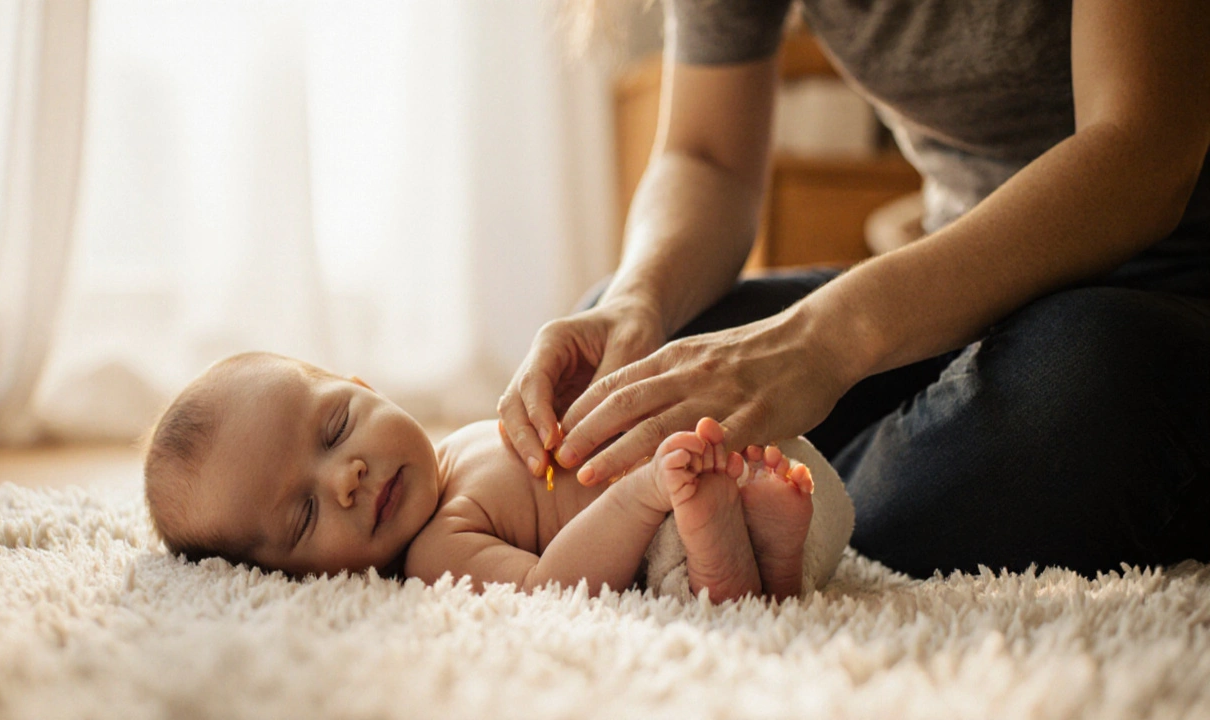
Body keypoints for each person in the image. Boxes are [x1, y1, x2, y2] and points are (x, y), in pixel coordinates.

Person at [500, 0, 1210, 578]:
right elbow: (705, 156)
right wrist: (639, 298)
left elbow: (1144, 153)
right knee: (626, 354)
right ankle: (785, 519)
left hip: (1164, 299)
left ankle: (738, 530)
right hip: (960, 297)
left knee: (1087, 377)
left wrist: (827, 338)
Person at [143, 352, 853, 602]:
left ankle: (763, 521)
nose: (346, 478)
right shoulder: (434, 553)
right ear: (286, 576)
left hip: (729, 458)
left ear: (364, 383)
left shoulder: (462, 443)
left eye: (336, 427)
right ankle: (765, 563)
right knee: (684, 563)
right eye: (302, 516)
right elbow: (551, 589)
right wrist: (642, 495)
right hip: (680, 516)